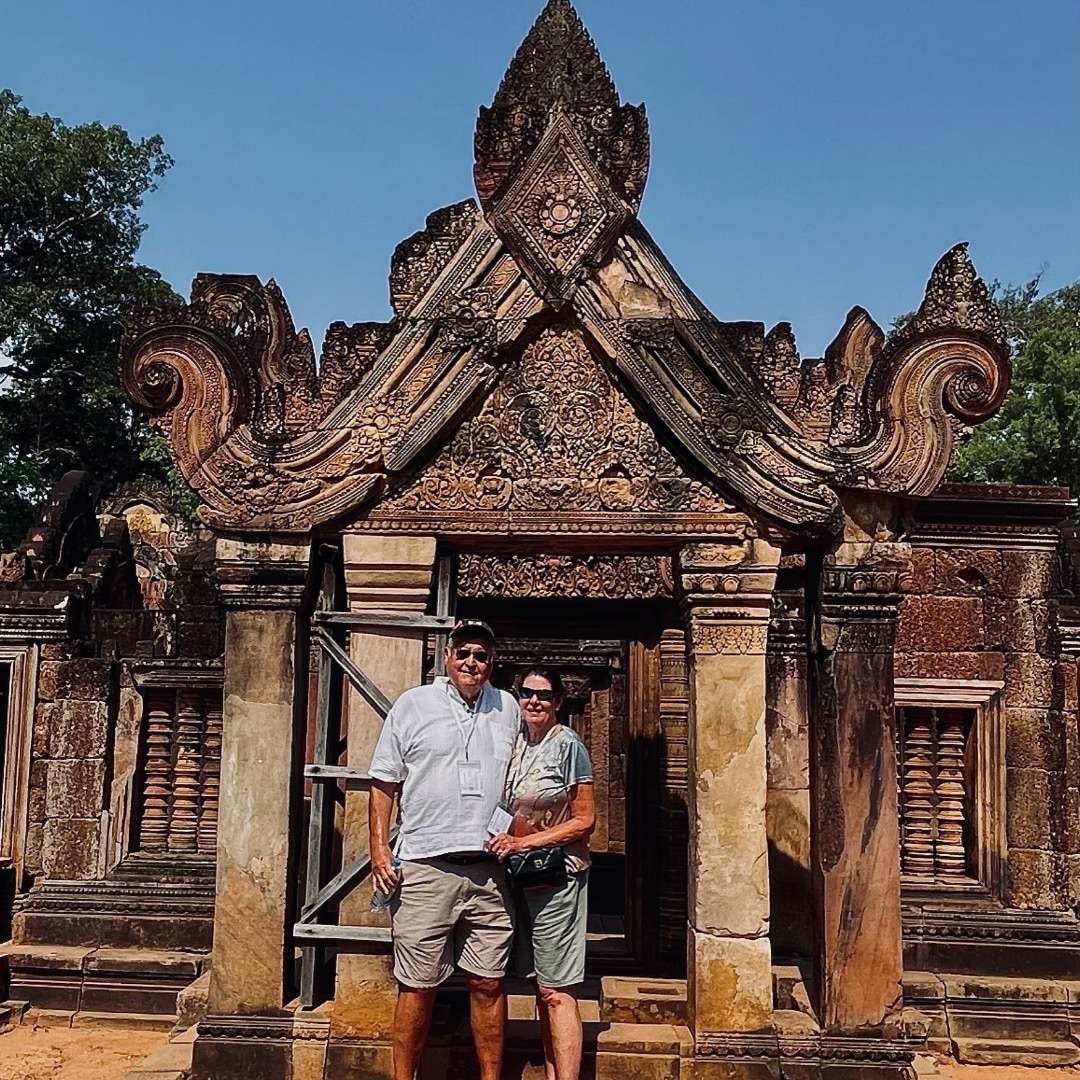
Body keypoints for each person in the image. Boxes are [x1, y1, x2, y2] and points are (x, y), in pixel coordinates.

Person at [368, 619, 520, 1080]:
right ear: (448, 657)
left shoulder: (508, 707)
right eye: (465, 653)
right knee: (417, 986)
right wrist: (378, 851)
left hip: (489, 869)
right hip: (424, 865)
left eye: (481, 656)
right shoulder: (414, 705)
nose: (472, 663)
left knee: (488, 982)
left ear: (491, 664)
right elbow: (383, 782)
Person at [488, 668, 596, 1080]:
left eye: (544, 696)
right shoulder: (515, 744)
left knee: (557, 990)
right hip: (521, 875)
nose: (534, 701)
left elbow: (585, 820)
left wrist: (524, 843)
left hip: (558, 876)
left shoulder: (567, 744)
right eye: (527, 693)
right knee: (541, 986)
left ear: (558, 703)